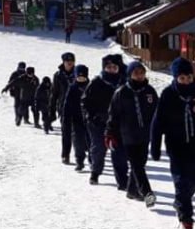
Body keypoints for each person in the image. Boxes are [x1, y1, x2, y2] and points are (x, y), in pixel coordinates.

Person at [151, 57, 195, 229]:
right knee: (181, 182)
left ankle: (180, 201)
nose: (186, 81)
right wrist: (156, 146)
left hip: (194, 144)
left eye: (189, 77)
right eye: (182, 78)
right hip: (175, 145)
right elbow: (157, 122)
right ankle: (186, 220)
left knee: (193, 181)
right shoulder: (168, 94)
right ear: (175, 78)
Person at [105, 60, 158, 207]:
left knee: (140, 163)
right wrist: (110, 133)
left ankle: (132, 190)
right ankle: (147, 192)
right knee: (137, 166)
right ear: (130, 75)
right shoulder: (121, 92)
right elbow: (113, 115)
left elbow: (157, 112)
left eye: (142, 73)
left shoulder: (150, 91)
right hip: (128, 135)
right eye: (136, 73)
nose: (140, 76)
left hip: (145, 134)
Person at [81, 55, 129, 187]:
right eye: (109, 67)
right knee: (99, 148)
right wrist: (91, 116)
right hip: (99, 122)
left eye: (114, 67)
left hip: (118, 124)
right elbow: (85, 102)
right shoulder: (97, 82)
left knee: (119, 151)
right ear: (104, 68)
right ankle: (95, 173)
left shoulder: (124, 82)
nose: (112, 70)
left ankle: (122, 180)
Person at [62, 64, 90, 171]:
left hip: (90, 119)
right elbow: (67, 104)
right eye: (79, 76)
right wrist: (66, 117)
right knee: (77, 141)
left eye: (83, 77)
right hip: (76, 119)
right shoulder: (72, 88)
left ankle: (92, 159)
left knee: (91, 141)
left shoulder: (91, 86)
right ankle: (79, 161)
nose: (81, 78)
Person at [51, 52, 76, 163]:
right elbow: (54, 93)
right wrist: (51, 109)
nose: (69, 63)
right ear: (63, 62)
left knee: (78, 132)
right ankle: (65, 154)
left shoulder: (79, 72)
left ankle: (81, 152)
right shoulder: (58, 75)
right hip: (63, 107)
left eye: (71, 61)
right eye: (67, 61)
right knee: (66, 132)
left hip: (78, 108)